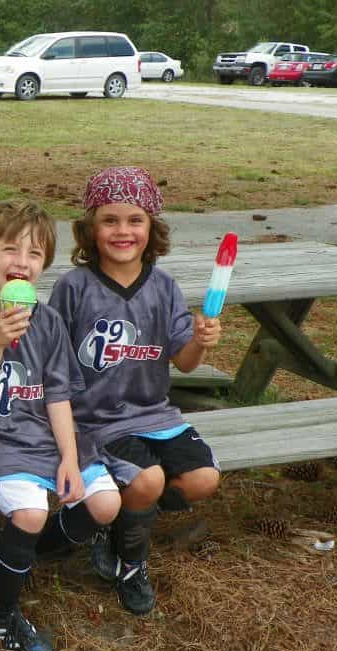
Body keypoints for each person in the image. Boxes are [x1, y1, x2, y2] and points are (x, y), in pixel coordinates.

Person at [0, 198, 121, 651]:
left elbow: (58, 396)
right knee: (31, 513)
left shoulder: (51, 321)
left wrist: (68, 457)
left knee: (105, 503)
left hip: (45, 436)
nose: (21, 262)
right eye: (10, 249)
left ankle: (8, 559)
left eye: (35, 254)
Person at [48, 166, 221, 616]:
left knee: (204, 479)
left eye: (135, 220)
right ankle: (132, 563)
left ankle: (120, 520)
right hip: (97, 421)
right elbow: (52, 364)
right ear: (90, 228)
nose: (123, 231)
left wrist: (199, 344)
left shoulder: (163, 287)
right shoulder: (74, 288)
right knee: (148, 480)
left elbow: (182, 361)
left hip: (156, 416)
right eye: (110, 220)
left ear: (152, 228)